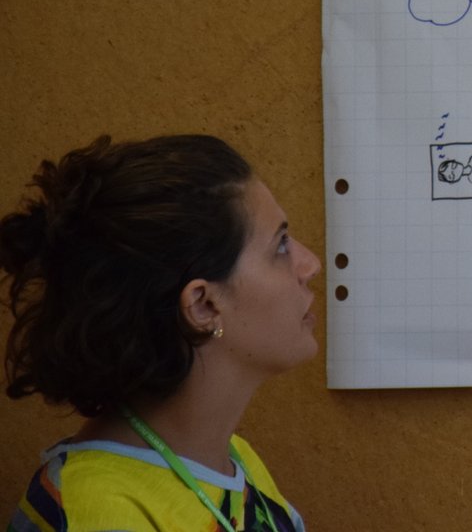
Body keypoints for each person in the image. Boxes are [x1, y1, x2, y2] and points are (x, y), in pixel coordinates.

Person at [2, 134, 319, 531]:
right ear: (203, 306)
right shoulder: (98, 512)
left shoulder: (232, 460)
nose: (310, 264)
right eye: (281, 245)